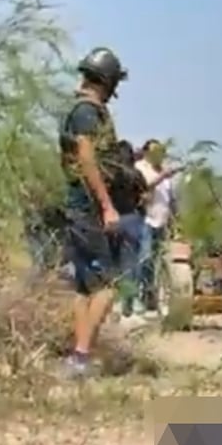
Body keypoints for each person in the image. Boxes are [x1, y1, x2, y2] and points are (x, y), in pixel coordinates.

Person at [58, 46, 128, 377]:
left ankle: (78, 359)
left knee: (84, 287)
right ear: (107, 80)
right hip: (88, 209)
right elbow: (87, 159)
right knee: (108, 285)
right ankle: (82, 356)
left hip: (79, 208)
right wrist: (107, 205)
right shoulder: (87, 112)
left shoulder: (80, 110)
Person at [134, 139, 181, 314]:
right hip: (146, 219)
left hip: (162, 221)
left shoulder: (164, 170)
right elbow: (143, 187)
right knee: (144, 258)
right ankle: (138, 296)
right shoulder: (140, 167)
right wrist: (163, 176)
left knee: (157, 261)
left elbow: (171, 198)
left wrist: (177, 218)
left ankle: (150, 297)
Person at [110, 139, 149, 324]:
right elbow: (146, 196)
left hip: (112, 219)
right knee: (130, 265)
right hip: (132, 218)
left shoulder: (110, 173)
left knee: (113, 262)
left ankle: (113, 304)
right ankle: (128, 306)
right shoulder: (136, 174)